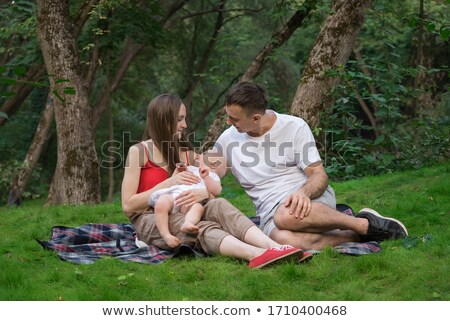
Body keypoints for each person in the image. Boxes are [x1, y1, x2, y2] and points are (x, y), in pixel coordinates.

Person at [213, 81, 408, 250]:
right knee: (285, 241)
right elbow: (212, 168)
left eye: (234, 118)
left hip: (309, 199)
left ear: (255, 118)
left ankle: (365, 225)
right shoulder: (229, 137)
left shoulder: (294, 126)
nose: (228, 122)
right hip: (270, 214)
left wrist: (303, 193)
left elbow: (318, 174)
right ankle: (354, 233)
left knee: (284, 216)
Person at [121, 93, 305, 269]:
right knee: (198, 227)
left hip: (184, 208)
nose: (184, 125)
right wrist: (170, 183)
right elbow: (129, 206)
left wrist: (204, 193)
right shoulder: (139, 152)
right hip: (150, 217)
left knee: (219, 204)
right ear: (162, 119)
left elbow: (210, 183)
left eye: (184, 119)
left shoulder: (187, 154)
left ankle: (277, 248)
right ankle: (255, 254)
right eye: (179, 119)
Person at [149, 152, 222, 248]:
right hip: (174, 196)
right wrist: (179, 169)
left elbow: (217, 191)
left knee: (198, 208)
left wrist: (206, 177)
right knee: (161, 202)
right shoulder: (190, 168)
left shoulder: (212, 176)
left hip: (190, 202)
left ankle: (188, 223)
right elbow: (173, 178)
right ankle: (165, 234)